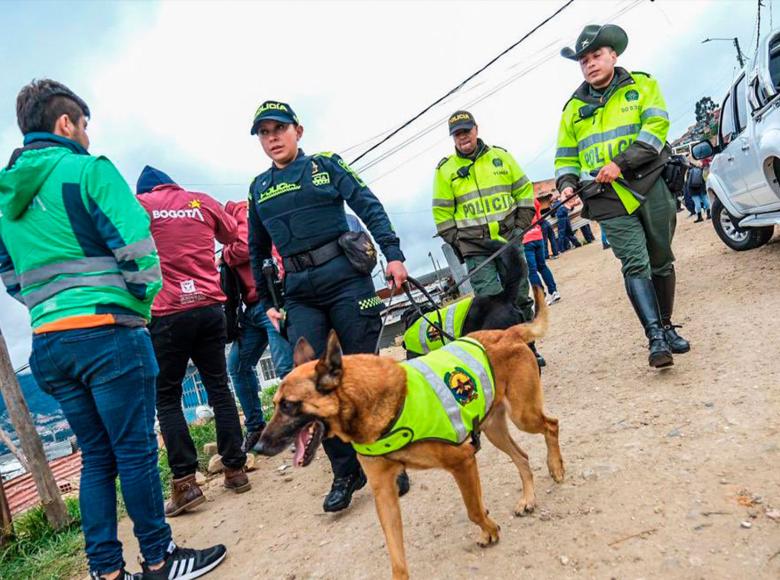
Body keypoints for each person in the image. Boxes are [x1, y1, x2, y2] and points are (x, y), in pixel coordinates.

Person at [0, 79, 225, 580]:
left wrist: (43, 304)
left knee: (97, 459)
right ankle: (161, 560)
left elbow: (8, 271)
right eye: (84, 126)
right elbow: (140, 251)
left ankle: (106, 572)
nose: (87, 135)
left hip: (49, 343)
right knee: (137, 451)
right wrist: (140, 305)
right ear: (66, 124)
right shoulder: (88, 171)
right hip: (108, 331)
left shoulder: (5, 196)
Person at [247, 100, 410, 513]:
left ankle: (388, 455)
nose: (272, 138)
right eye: (264, 133)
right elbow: (256, 250)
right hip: (299, 293)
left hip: (347, 282)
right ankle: (346, 471)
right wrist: (266, 301)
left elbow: (368, 204)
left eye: (278, 129)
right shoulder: (258, 188)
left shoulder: (325, 166)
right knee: (307, 381)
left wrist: (392, 254)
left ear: (297, 131)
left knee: (357, 372)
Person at [555, 24, 691, 368]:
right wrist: (567, 183)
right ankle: (655, 337)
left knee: (661, 259)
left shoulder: (642, 85)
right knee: (635, 262)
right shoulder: (572, 108)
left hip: (650, 183)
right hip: (606, 196)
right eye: (583, 60)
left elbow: (656, 129)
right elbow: (565, 156)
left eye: (596, 55)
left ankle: (665, 324)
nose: (590, 64)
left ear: (613, 55)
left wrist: (620, 163)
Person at [137, 166, 251, 517]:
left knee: (167, 397)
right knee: (219, 386)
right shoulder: (199, 201)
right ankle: (235, 470)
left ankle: (186, 485)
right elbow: (231, 234)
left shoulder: (139, 205)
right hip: (209, 308)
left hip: (167, 312)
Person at [432, 110, 545, 366]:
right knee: (491, 303)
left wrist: (521, 226)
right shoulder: (445, 170)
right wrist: (459, 243)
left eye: (466, 131)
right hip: (476, 248)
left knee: (519, 298)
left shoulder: (501, 157)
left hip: (508, 240)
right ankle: (502, 356)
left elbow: (524, 192)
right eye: (457, 134)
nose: (463, 137)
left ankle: (528, 350)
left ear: (476, 129)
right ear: (453, 138)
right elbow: (441, 213)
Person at [223, 200, 293, 452]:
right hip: (251, 309)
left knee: (285, 366)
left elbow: (245, 248)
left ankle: (297, 426)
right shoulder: (230, 223)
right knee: (238, 366)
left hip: (272, 302)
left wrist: (224, 254)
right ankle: (256, 428)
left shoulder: (240, 212)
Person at [523, 198, 561, 305]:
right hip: (538, 236)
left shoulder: (513, 201)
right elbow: (540, 218)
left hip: (525, 239)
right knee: (542, 266)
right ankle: (554, 291)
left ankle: (541, 298)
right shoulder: (534, 200)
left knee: (532, 271)